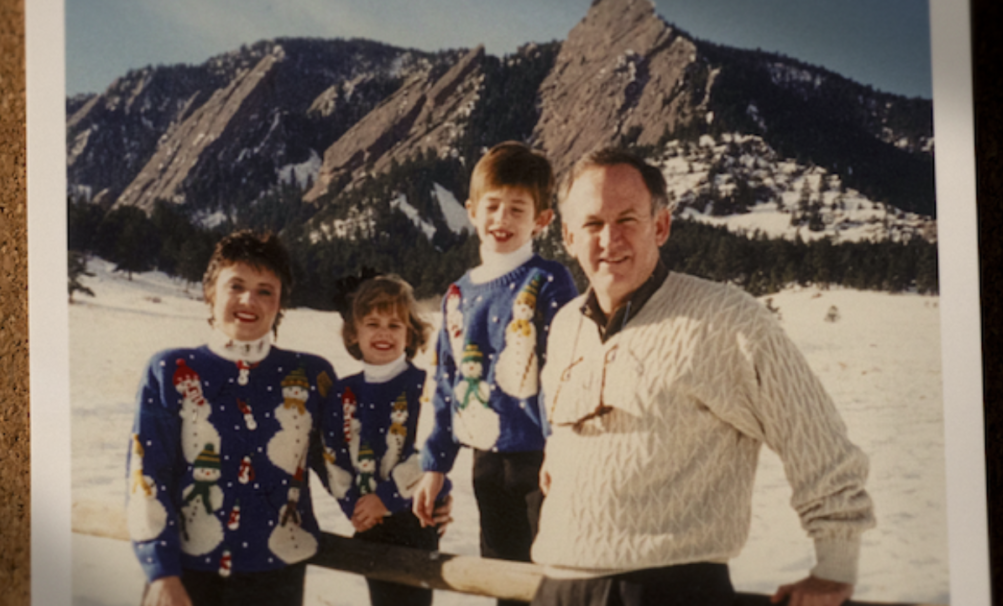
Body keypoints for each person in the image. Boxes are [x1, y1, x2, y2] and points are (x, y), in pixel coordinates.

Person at [530, 148, 875, 606]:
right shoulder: (566, 325)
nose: (609, 239)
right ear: (568, 237)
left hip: (671, 590)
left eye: (627, 219)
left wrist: (835, 568)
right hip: (559, 586)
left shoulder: (726, 319)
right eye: (592, 224)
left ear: (660, 226)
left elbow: (817, 442)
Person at [126, 230, 337, 606]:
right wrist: (161, 571)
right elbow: (147, 475)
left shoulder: (310, 376)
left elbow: (342, 465)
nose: (248, 300)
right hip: (184, 576)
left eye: (265, 290)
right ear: (210, 292)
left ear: (280, 304)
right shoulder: (170, 370)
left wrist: (417, 493)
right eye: (235, 285)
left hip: (276, 578)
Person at [412, 141, 579, 605]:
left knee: (555, 581)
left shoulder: (548, 281)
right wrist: (435, 465)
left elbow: (565, 372)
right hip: (487, 464)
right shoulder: (457, 295)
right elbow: (447, 386)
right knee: (504, 580)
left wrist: (561, 449)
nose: (501, 219)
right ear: (471, 210)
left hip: (544, 459)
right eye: (492, 206)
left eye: (517, 209)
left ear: (541, 219)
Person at [322, 274, 451, 606]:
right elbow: (333, 455)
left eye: (395, 325)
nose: (384, 333)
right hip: (369, 521)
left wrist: (387, 498)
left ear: (410, 333)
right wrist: (354, 506)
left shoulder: (425, 385)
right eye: (372, 324)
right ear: (354, 332)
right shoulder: (344, 393)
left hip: (414, 518)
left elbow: (433, 450)